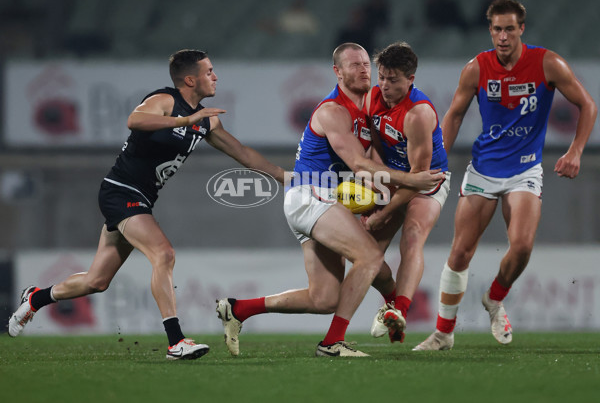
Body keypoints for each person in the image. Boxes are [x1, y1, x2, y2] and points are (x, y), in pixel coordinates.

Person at [8, 49, 286, 360]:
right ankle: (176, 341)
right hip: (120, 190)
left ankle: (35, 298)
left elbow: (243, 153)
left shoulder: (207, 121)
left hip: (140, 199)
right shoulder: (166, 100)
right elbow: (134, 119)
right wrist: (184, 118)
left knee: (96, 281)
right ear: (190, 79)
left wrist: (280, 175)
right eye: (209, 72)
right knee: (163, 253)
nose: (215, 76)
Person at [216, 43, 444, 357]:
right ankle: (333, 342)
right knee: (369, 258)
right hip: (311, 195)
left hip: (318, 199)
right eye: (354, 65)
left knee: (325, 298)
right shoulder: (333, 110)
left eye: (366, 63)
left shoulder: (367, 107)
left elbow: (371, 160)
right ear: (337, 72)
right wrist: (412, 180)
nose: (363, 70)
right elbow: (360, 164)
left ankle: (239, 309)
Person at [414, 0, 597, 351]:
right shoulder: (476, 68)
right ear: (490, 30)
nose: (502, 36)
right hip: (483, 168)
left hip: (525, 169)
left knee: (523, 246)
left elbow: (587, 105)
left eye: (509, 29)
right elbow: (452, 116)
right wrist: (438, 162)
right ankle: (443, 333)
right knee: (460, 253)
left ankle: (494, 299)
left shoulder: (547, 63)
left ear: (521, 29)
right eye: (497, 29)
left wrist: (575, 150)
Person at [361, 42, 451, 344]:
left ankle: (400, 309)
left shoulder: (418, 114)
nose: (384, 85)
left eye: (393, 79)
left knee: (412, 236)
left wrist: (383, 213)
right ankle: (391, 303)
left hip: (427, 181)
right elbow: (374, 145)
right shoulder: (371, 97)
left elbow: (417, 179)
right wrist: (380, 180)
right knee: (362, 252)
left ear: (410, 79)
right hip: (394, 177)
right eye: (382, 77)